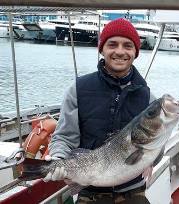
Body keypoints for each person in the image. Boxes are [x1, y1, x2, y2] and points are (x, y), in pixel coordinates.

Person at [44, 18, 162, 204]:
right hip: (89, 192)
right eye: (112, 44)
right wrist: (57, 158)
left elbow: (156, 147)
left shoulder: (148, 98)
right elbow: (64, 137)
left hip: (133, 192)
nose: (120, 51)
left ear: (135, 52)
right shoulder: (78, 89)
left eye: (128, 45)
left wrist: (152, 159)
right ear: (102, 49)